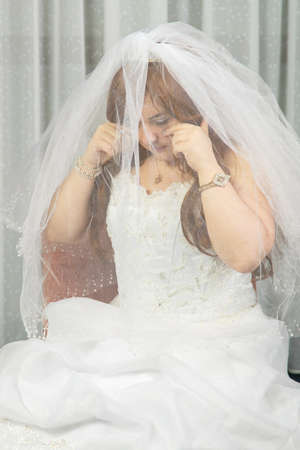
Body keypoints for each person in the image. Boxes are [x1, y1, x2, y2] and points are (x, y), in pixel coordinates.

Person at [1, 21, 300, 449]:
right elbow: (61, 233)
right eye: (136, 122)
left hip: (216, 341)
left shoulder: (233, 161)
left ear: (194, 111)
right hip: (124, 330)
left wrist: (206, 167)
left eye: (160, 120)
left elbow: (245, 256)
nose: (148, 136)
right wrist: (88, 160)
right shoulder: (123, 165)